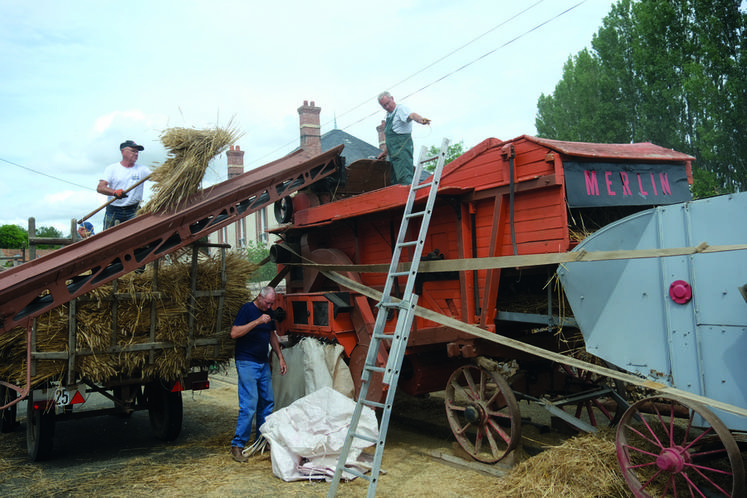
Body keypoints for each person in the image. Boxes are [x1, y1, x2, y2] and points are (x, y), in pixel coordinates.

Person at [229, 286, 287, 463]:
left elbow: (272, 335)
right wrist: (257, 321)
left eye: (272, 303)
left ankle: (262, 440)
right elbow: (234, 333)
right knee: (249, 404)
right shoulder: (247, 309)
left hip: (262, 363)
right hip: (246, 361)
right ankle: (238, 445)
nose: (269, 306)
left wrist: (280, 357)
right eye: (267, 302)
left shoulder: (268, 313)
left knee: (267, 401)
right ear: (259, 297)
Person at [376, 91, 431, 185]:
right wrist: (385, 153)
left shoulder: (400, 109)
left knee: (405, 180)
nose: (387, 107)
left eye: (388, 103)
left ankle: (409, 199)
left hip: (402, 154)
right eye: (384, 106)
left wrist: (420, 119)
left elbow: (412, 115)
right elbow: (391, 141)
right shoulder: (389, 115)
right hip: (393, 157)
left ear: (392, 98)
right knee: (395, 182)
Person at [97, 140, 150, 230]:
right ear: (123, 151)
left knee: (137, 236)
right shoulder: (112, 169)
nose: (136, 154)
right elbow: (100, 187)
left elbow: (158, 177)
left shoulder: (142, 169)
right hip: (114, 211)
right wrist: (114, 192)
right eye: (133, 151)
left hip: (133, 210)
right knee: (109, 238)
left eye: (137, 152)